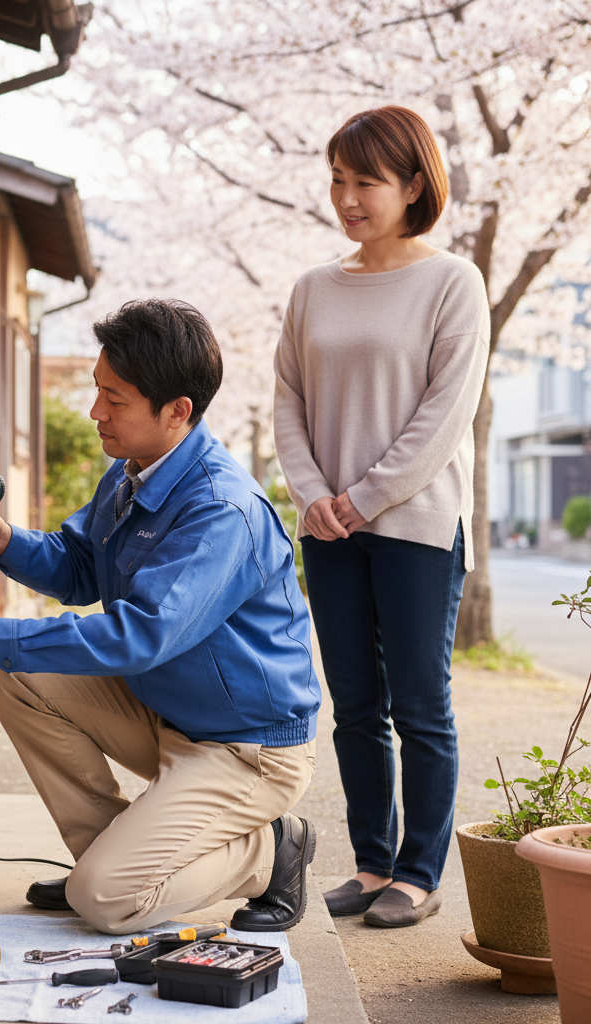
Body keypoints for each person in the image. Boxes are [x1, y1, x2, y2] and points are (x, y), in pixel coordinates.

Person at [0, 298, 322, 935]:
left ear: (177, 411)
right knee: (18, 677)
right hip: (168, 716)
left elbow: (141, 634)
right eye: (98, 390)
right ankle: (107, 861)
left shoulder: (221, 510)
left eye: (115, 399)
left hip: (245, 749)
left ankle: (271, 851)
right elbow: (79, 565)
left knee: (105, 903)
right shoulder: (132, 472)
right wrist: (3, 541)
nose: (95, 411)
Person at [273, 106, 490, 928]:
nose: (348, 197)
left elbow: (444, 416)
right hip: (329, 528)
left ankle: (420, 874)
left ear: (412, 186)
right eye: (337, 179)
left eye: (365, 180)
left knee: (420, 704)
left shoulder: (451, 282)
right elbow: (288, 398)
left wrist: (360, 499)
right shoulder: (312, 288)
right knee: (355, 703)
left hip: (417, 526)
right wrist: (312, 496)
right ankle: (371, 863)